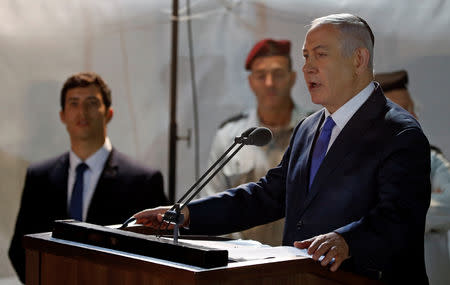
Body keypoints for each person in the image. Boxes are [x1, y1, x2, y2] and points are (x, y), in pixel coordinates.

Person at [134, 14, 430, 284]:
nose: (308, 67)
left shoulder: (398, 132)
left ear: (359, 59)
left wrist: (347, 240)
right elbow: (267, 196)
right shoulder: (308, 127)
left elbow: (401, 217)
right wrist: (185, 213)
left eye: (320, 55)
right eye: (305, 56)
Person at [8, 72, 168, 283]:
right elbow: (20, 249)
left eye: (92, 103)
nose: (82, 112)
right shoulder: (39, 177)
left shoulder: (143, 180)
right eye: (73, 103)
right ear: (62, 115)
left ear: (108, 113)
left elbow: (162, 255)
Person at [203, 38, 306, 246]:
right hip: (239, 263)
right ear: (251, 82)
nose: (269, 83)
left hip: (300, 261)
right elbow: (214, 199)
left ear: (293, 78)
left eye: (278, 74)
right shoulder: (230, 136)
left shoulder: (313, 131)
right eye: (261, 76)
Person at [376, 70, 450, 285]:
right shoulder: (359, 166)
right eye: (401, 110)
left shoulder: (432, 158)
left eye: (411, 108)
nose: (413, 117)